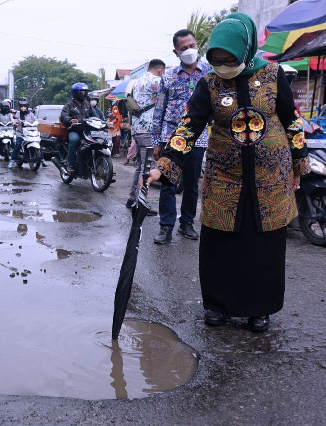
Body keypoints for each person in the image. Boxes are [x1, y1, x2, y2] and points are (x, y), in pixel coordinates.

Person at [146, 13, 309, 332]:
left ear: (245, 50)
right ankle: (218, 306)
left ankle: (259, 309)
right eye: (216, 59)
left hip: (270, 178)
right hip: (224, 178)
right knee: (221, 243)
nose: (222, 64)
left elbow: (291, 120)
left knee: (264, 246)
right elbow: (189, 126)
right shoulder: (208, 84)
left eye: (228, 58)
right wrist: (165, 164)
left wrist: (299, 161)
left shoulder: (274, 74)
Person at [151, 29, 212, 244]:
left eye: (192, 46)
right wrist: (156, 142)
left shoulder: (209, 73)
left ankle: (187, 222)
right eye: (183, 48)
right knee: (168, 181)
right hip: (171, 137)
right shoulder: (168, 78)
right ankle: (166, 226)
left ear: (197, 45)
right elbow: (159, 110)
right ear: (176, 52)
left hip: (199, 137)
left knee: (192, 182)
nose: (189, 50)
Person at [126, 59, 165, 211]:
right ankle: (140, 203)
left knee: (140, 167)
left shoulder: (137, 82)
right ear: (160, 70)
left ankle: (132, 199)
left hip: (136, 129)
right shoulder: (156, 81)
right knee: (147, 167)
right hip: (148, 129)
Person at [60, 82, 97, 174]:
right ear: (75, 93)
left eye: (85, 92)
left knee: (97, 141)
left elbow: (96, 116)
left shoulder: (87, 105)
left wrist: (104, 122)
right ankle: (70, 164)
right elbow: (64, 116)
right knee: (74, 140)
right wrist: (71, 120)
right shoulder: (69, 105)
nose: (84, 94)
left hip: (87, 130)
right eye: (81, 92)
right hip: (74, 130)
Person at [8, 97, 38, 168]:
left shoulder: (30, 114)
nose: (23, 108)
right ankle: (12, 160)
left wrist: (36, 122)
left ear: (27, 106)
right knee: (18, 144)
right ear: (19, 107)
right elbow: (15, 121)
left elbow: (35, 119)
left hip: (30, 133)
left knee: (37, 142)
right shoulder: (18, 114)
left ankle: (42, 160)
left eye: (24, 106)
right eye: (21, 106)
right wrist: (17, 122)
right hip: (21, 134)